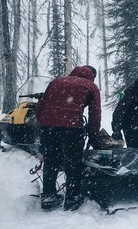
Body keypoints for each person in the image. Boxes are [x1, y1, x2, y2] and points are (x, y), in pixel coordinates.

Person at [36, 65, 101, 211]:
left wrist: (42, 124)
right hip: (71, 127)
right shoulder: (91, 86)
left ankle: (48, 196)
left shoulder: (57, 81)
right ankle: (72, 199)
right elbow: (95, 114)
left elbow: (41, 103)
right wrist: (94, 136)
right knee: (73, 163)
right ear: (92, 76)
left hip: (48, 126)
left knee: (51, 160)